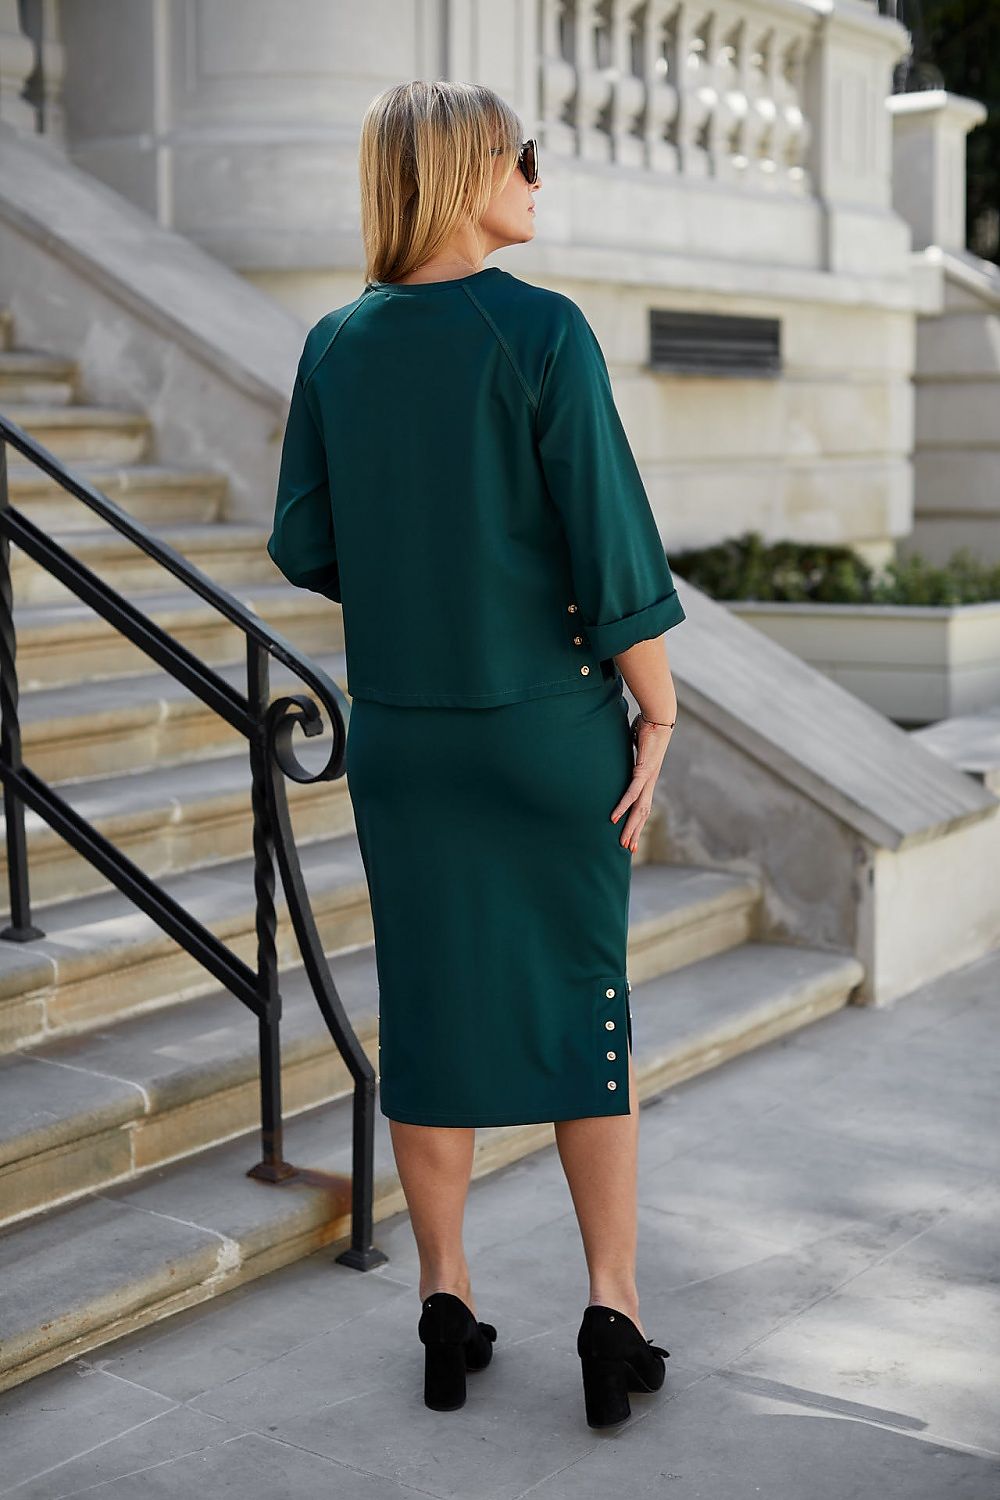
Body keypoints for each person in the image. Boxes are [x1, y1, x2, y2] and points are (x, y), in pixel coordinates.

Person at [267, 79, 683, 1427]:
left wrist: (420, 581)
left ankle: (445, 1302)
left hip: (405, 737)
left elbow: (306, 541)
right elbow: (610, 547)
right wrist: (659, 709)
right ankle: (611, 1313)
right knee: (582, 1011)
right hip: (548, 728)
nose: (537, 179)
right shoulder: (543, 331)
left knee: (433, 1011)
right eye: (524, 157)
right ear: (462, 172)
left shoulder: (335, 344)